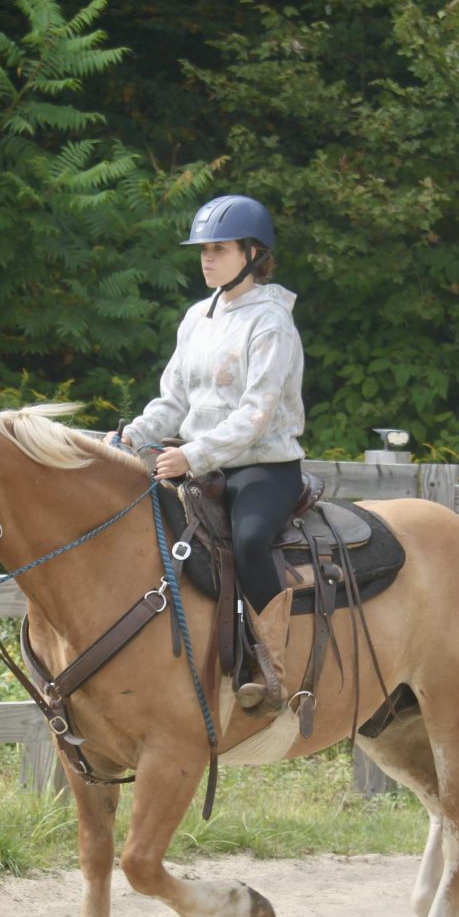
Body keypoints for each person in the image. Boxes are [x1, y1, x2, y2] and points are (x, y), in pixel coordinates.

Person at [115, 195, 305, 716]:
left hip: (262, 467)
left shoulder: (271, 322)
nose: (205, 259)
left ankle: (269, 664)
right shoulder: (197, 317)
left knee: (247, 541)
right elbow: (173, 399)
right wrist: (131, 436)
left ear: (252, 252)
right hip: (199, 462)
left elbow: (255, 416)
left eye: (218, 249)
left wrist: (191, 456)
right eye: (202, 250)